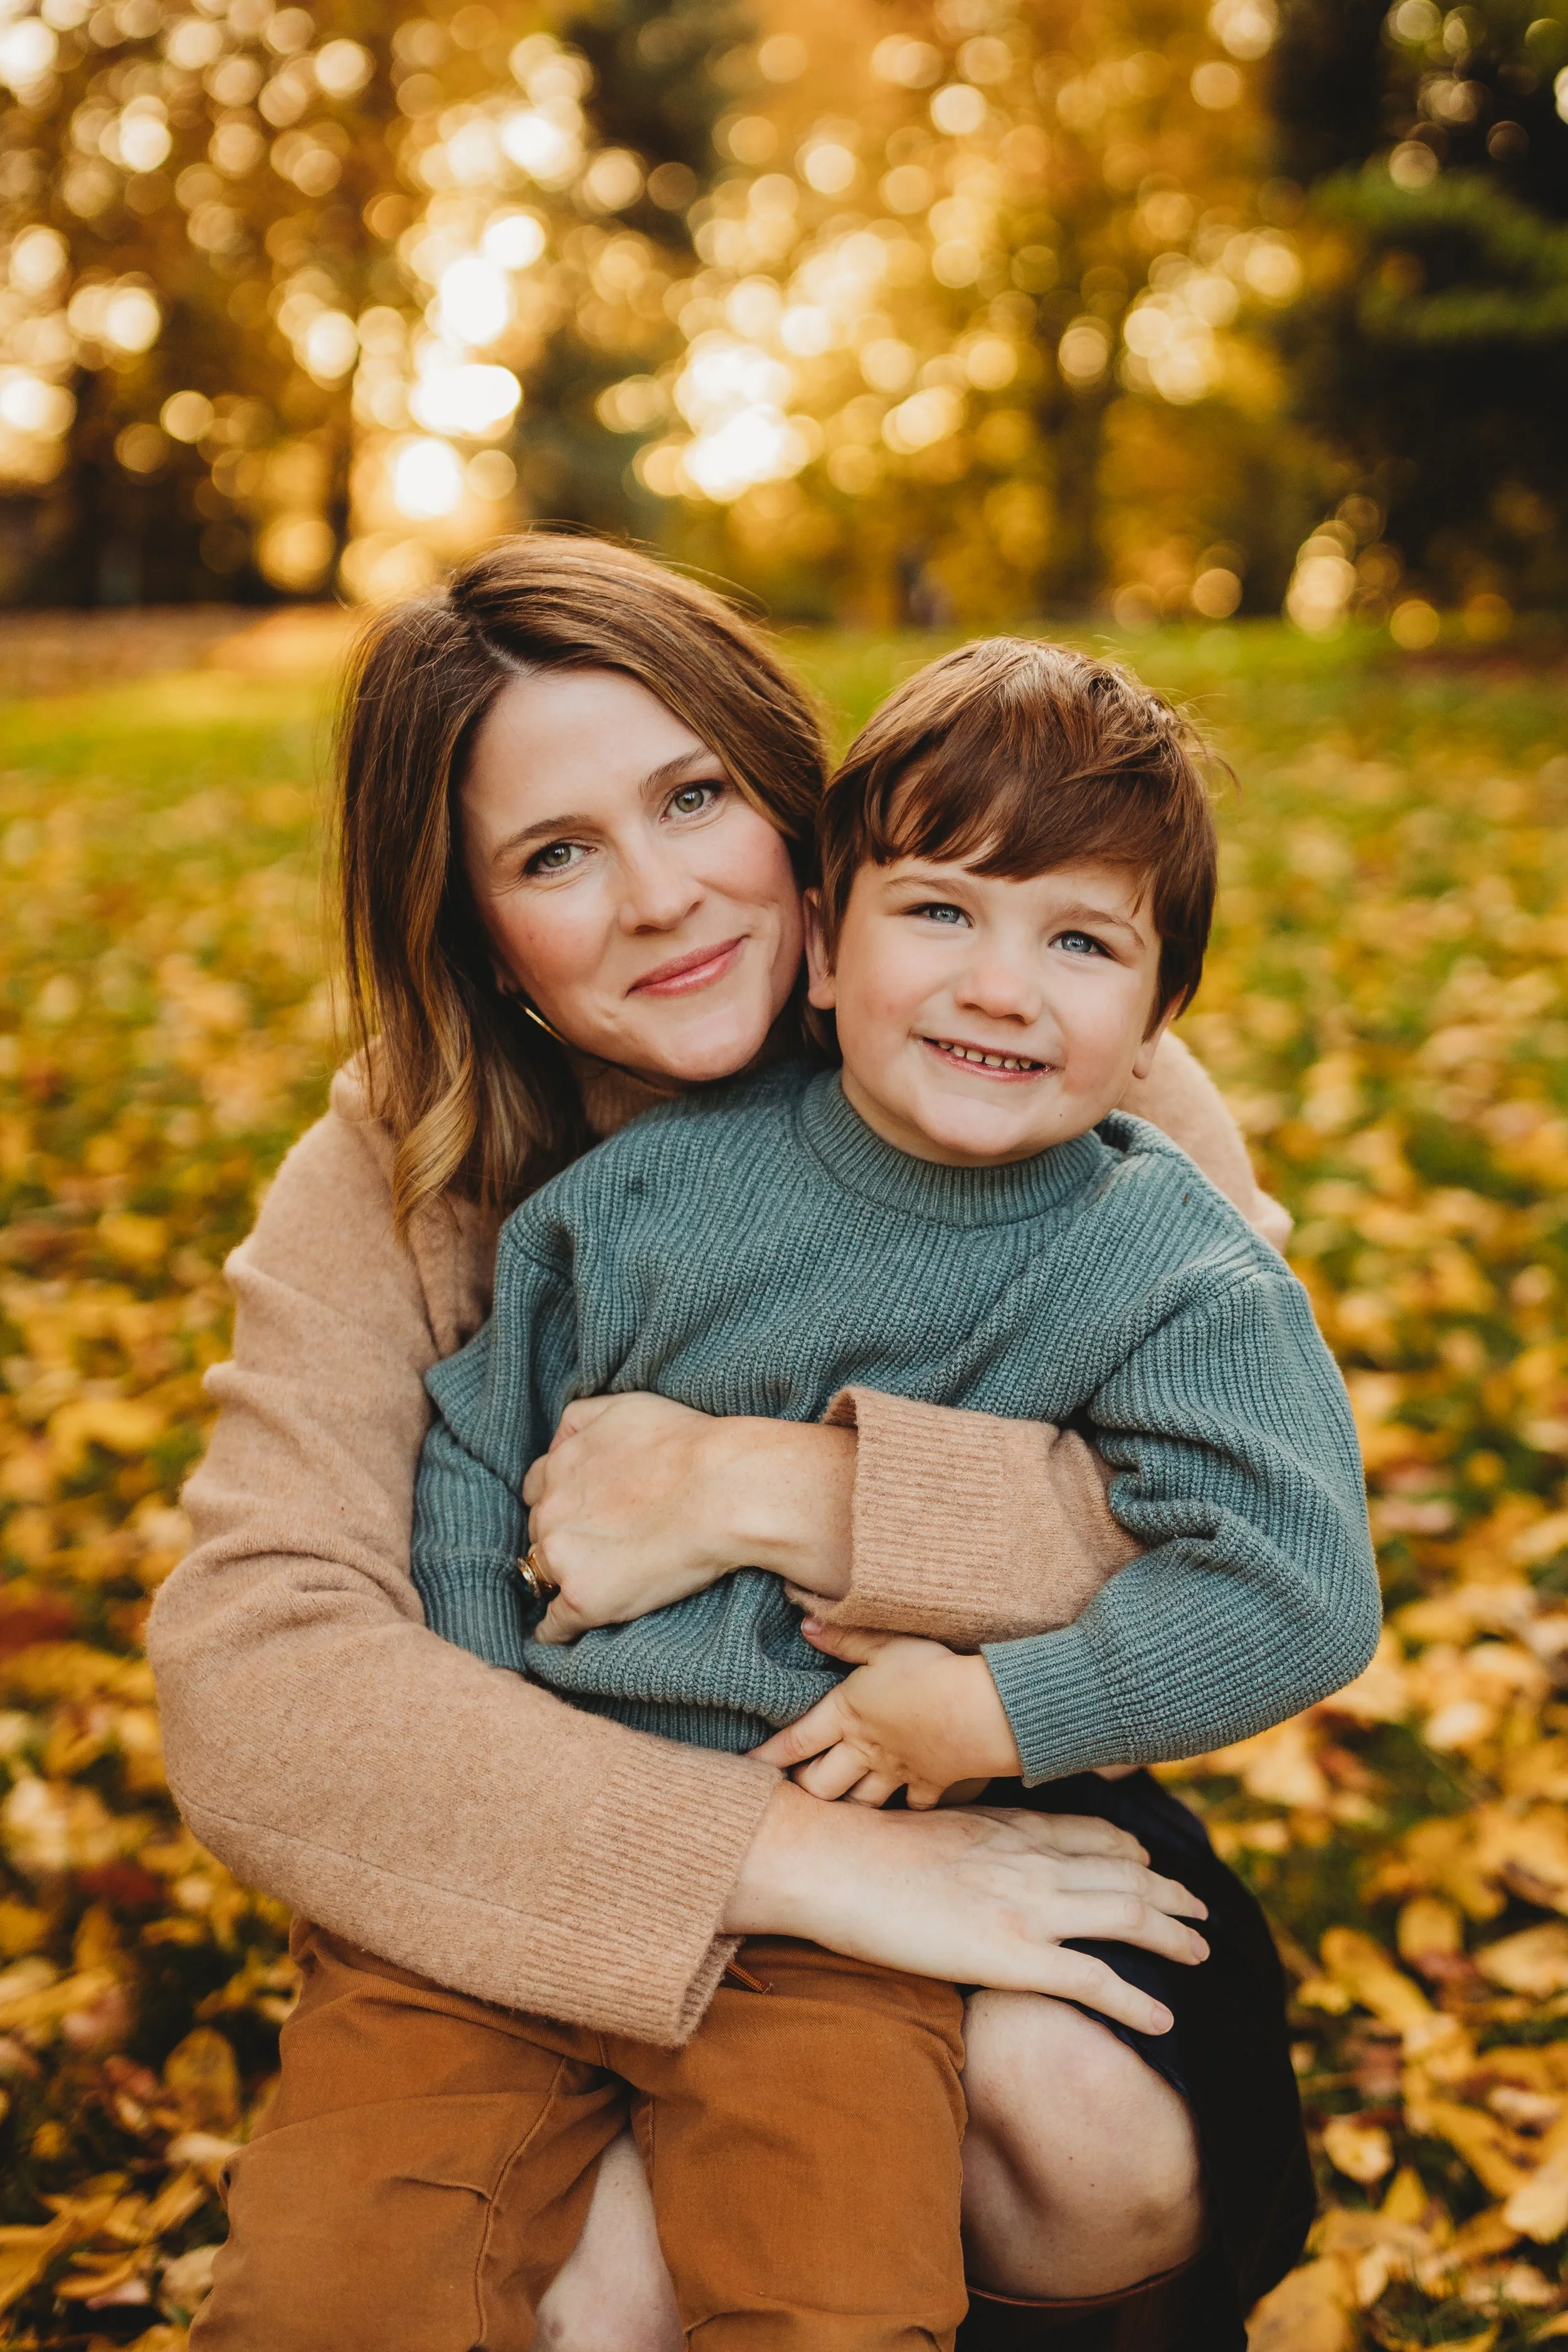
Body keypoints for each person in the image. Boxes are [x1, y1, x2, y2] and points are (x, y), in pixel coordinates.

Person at [149, 536, 1313, 2352]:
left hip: (965, 1774)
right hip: (559, 1824)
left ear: (793, 806)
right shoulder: (409, 1161)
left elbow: (1247, 1527)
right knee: (576, 2280)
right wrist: (768, 1853)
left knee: (1046, 2112)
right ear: (476, 927)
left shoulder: (1046, 1056)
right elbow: (258, 1669)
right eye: (554, 855)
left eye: (693, 796)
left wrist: (770, 1489)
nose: (661, 897)